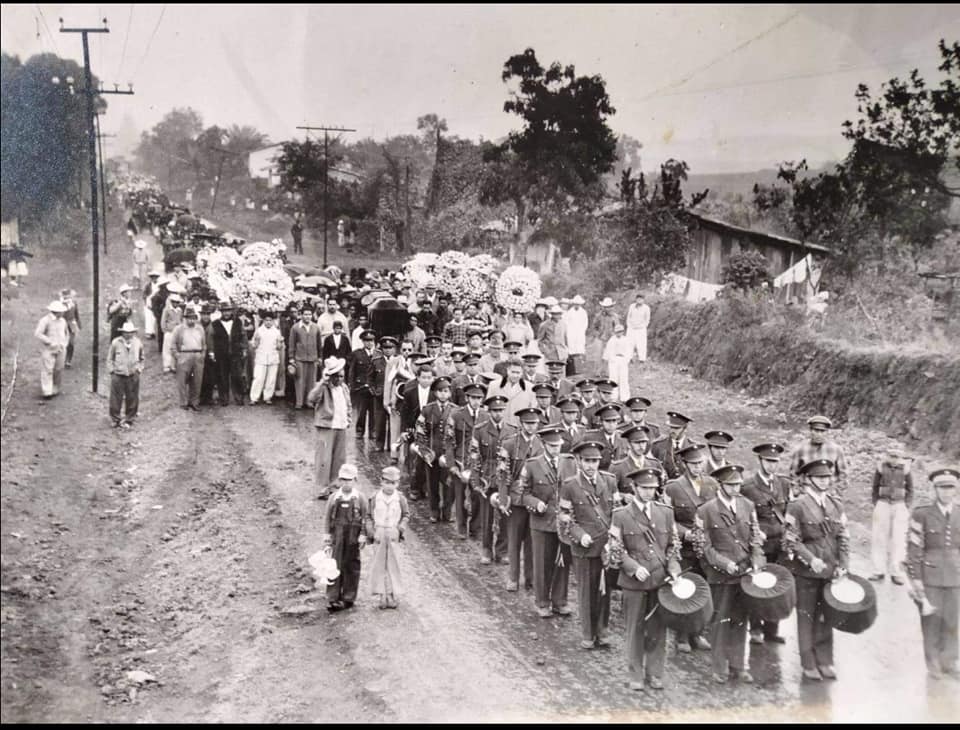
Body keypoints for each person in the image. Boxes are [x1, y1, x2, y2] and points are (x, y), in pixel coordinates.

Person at [607, 466, 681, 691]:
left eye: (653, 488)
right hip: (634, 583)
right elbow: (614, 548)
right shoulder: (620, 515)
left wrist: (675, 568)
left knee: (659, 629)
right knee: (635, 630)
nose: (649, 492)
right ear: (634, 487)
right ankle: (635, 674)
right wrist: (631, 567)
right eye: (645, 488)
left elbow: (673, 547)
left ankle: (655, 673)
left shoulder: (666, 512)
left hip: (660, 580)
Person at [781, 458, 850, 681]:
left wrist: (844, 564)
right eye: (819, 477)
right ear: (808, 479)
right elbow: (791, 540)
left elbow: (843, 536)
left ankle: (826, 660)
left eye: (827, 477)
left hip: (830, 569)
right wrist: (810, 559)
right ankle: (808, 663)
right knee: (807, 616)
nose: (824, 481)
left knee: (826, 616)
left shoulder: (836, 504)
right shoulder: (797, 505)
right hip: (807, 571)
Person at [694, 464, 765, 684]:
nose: (736, 488)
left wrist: (757, 561)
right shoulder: (705, 510)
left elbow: (755, 538)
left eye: (738, 484)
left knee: (740, 620)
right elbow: (703, 547)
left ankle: (738, 666)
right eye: (731, 484)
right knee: (720, 621)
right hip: (721, 575)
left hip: (744, 573)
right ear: (721, 485)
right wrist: (724, 564)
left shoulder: (747, 505)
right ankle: (719, 667)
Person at [558, 440, 618, 650]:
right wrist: (579, 535)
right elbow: (565, 519)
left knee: (604, 591)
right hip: (583, 547)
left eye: (595, 461)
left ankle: (602, 630)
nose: (591, 466)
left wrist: (614, 541)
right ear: (579, 461)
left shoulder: (610, 481)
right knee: (586, 591)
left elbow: (617, 514)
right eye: (587, 461)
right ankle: (587, 633)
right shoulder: (570, 485)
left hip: (605, 546)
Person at [516, 424, 577, 618]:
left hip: (563, 521)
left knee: (562, 562)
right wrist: (535, 503)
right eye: (551, 446)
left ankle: (560, 601)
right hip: (541, 522)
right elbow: (522, 493)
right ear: (543, 444)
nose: (555, 449)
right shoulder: (532, 464)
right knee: (542, 562)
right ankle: (542, 601)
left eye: (558, 445)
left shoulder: (569, 462)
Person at [664, 441, 718, 653]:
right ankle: (682, 636)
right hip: (684, 547)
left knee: (703, 590)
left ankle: (698, 633)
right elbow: (668, 519)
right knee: (685, 591)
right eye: (693, 464)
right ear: (685, 464)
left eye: (700, 463)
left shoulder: (712, 484)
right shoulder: (673, 487)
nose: (698, 467)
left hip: (705, 547)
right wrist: (685, 534)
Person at [905, 467, 959, 679]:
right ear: (934, 489)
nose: (947, 493)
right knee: (931, 620)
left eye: (951, 488)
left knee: (953, 620)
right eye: (942, 488)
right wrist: (916, 578)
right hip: (930, 575)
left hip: (955, 574)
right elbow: (915, 548)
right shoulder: (922, 513)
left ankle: (950, 660)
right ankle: (933, 661)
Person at [740, 443, 792, 644]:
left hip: (779, 544)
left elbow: (787, 513)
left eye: (775, 462)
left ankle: (772, 629)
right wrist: (754, 534)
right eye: (768, 461)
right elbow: (742, 516)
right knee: (758, 585)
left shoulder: (783, 484)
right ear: (760, 461)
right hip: (759, 545)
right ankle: (755, 629)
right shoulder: (748, 487)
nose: (772, 466)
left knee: (777, 586)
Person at [496, 407, 545, 592]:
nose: (531, 427)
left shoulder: (542, 444)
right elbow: (502, 473)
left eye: (534, 423)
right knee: (514, 539)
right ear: (521, 424)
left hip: (535, 498)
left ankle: (530, 578)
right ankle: (513, 577)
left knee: (532, 541)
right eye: (528, 423)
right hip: (516, 499)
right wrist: (503, 497)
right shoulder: (509, 444)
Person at [470, 394, 515, 564]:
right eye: (495, 411)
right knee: (487, 517)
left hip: (505, 478)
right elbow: (474, 456)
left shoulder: (511, 430)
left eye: (501, 410)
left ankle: (502, 551)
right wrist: (476, 479)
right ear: (489, 411)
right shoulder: (480, 429)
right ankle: (487, 550)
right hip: (487, 477)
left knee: (504, 514)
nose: (498, 414)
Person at [443, 383, 486, 540]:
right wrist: (451, 464)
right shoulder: (456, 415)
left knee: (477, 495)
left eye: (479, 398)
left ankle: (476, 527)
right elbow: (448, 441)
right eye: (473, 398)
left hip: (477, 463)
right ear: (467, 398)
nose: (476, 401)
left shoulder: (485, 416)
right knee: (459, 495)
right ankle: (461, 527)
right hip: (460, 461)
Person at [323, 464, 368, 612]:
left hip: (353, 537)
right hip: (338, 535)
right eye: (343, 480)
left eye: (349, 480)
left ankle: (349, 597)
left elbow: (365, 518)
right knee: (334, 565)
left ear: (355, 480)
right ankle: (332, 597)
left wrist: (363, 534)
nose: (346, 483)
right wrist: (327, 535)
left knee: (351, 565)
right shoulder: (334, 498)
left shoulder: (360, 498)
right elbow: (328, 518)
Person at [365, 465, 409, 610]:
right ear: (381, 481)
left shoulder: (400, 498)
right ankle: (381, 595)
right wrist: (371, 532)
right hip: (379, 533)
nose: (390, 486)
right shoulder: (374, 498)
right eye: (387, 482)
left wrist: (400, 528)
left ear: (398, 483)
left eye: (394, 483)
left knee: (393, 565)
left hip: (393, 533)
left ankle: (391, 594)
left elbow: (406, 515)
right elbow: (369, 516)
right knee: (379, 565)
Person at [308, 357, 352, 499]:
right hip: (327, 425)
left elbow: (348, 404)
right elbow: (311, 399)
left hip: (341, 425)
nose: (340, 379)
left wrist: (349, 418)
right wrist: (323, 382)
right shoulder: (323, 388)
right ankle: (322, 487)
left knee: (339, 457)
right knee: (324, 458)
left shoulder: (344, 388)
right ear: (330, 376)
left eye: (342, 376)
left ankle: (335, 486)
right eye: (337, 376)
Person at [869, 447, 914, 584]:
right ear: (887, 456)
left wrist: (906, 505)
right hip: (883, 504)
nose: (894, 459)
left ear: (901, 457)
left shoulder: (906, 469)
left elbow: (910, 489)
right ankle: (878, 571)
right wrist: (876, 502)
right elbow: (875, 487)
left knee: (898, 539)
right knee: (879, 538)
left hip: (899, 505)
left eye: (897, 456)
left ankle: (896, 572)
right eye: (891, 455)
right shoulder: (881, 467)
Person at [415, 376, 455, 523]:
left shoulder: (455, 410)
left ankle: (448, 511)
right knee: (432, 483)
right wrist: (424, 451)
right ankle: (434, 510)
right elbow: (419, 430)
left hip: (449, 454)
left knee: (449, 483)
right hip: (432, 453)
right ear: (435, 393)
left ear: (450, 393)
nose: (443, 394)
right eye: (440, 391)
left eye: (446, 391)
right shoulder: (427, 409)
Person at [400, 364, 436, 501]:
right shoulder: (410, 392)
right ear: (418, 378)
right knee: (414, 460)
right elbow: (405, 412)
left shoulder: (435, 393)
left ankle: (425, 488)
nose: (426, 380)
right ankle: (414, 488)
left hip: (429, 432)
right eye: (424, 377)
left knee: (427, 460)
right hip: (413, 430)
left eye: (429, 378)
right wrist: (404, 430)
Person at [789, 415, 849, 495]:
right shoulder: (800, 449)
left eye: (822, 431)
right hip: (807, 493)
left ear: (827, 432)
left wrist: (836, 492)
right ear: (810, 431)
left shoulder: (836, 450)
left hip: (829, 493)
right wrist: (797, 491)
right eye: (816, 431)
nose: (819, 434)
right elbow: (793, 474)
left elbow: (843, 475)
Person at [206, 302, 248, 406]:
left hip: (235, 353)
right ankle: (224, 398)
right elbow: (210, 338)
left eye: (228, 311)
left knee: (237, 376)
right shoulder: (215, 324)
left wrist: (244, 348)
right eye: (224, 311)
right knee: (222, 376)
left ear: (231, 311)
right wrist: (211, 352)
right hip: (221, 354)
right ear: (221, 312)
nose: (226, 313)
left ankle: (239, 397)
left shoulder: (238, 322)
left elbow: (243, 336)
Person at [350, 330, 387, 445]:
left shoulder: (379, 354)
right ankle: (359, 431)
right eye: (367, 341)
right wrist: (351, 385)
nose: (369, 343)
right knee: (361, 411)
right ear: (362, 341)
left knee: (373, 412)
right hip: (361, 387)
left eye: (371, 341)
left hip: (374, 388)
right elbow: (352, 371)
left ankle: (373, 431)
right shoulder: (357, 354)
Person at [107, 320, 144, 428]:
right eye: (126, 332)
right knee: (115, 398)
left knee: (132, 398)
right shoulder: (116, 342)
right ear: (122, 333)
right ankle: (115, 419)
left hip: (132, 374)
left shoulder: (137, 343)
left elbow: (142, 358)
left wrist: (139, 369)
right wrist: (112, 371)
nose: (129, 334)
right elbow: (110, 358)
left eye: (131, 332)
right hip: (118, 374)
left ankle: (129, 419)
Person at [610, 425, 664, 498]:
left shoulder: (655, 465)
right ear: (629, 444)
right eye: (637, 443)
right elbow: (609, 492)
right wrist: (623, 496)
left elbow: (663, 489)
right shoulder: (618, 467)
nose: (641, 446)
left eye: (643, 442)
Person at [171, 307, 207, 411]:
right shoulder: (179, 329)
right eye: (188, 318)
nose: (191, 320)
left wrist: (202, 354)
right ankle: (183, 403)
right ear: (185, 318)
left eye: (193, 318)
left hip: (197, 355)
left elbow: (204, 344)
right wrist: (178, 356)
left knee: (197, 380)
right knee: (182, 380)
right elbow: (173, 345)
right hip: (184, 355)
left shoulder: (200, 328)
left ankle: (194, 402)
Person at [485, 359, 536, 427]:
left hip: (519, 427)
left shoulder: (530, 388)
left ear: (522, 373)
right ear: (507, 371)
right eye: (513, 372)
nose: (515, 375)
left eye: (518, 373)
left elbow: (532, 410)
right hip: (500, 427)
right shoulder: (494, 385)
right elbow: (487, 408)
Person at [35, 301, 70, 399]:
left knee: (58, 369)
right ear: (56, 311)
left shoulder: (63, 321)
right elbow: (38, 333)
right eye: (61, 311)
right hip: (48, 349)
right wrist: (49, 342)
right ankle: (47, 391)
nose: (63, 313)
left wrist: (64, 344)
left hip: (61, 349)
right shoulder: (45, 320)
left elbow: (66, 333)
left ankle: (55, 388)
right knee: (47, 369)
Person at [248, 312, 284, 405]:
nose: (268, 322)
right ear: (263, 321)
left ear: (273, 321)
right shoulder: (259, 331)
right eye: (266, 320)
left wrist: (280, 342)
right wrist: (256, 341)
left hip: (273, 357)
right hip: (261, 357)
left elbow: (279, 347)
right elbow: (254, 345)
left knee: (271, 378)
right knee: (258, 378)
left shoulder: (276, 331)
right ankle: (254, 397)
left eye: (270, 320)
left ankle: (267, 397)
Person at [289, 307, 322, 409]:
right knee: (299, 381)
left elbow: (319, 344)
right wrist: (291, 357)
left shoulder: (316, 327)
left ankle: (309, 402)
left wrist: (320, 357)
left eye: (309, 314)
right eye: (305, 314)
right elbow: (291, 343)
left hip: (313, 358)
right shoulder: (295, 327)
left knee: (311, 381)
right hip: (300, 357)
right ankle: (299, 402)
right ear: (301, 315)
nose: (307, 317)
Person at [651, 411, 694, 481]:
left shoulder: (692, 447)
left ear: (685, 429)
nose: (672, 431)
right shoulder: (658, 445)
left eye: (676, 428)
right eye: (671, 427)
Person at [602, 324, 632, 401]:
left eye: (621, 332)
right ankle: (613, 396)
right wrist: (610, 359)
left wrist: (626, 359)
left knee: (623, 379)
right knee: (613, 378)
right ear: (615, 332)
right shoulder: (612, 340)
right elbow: (608, 351)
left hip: (623, 359)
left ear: (623, 332)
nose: (619, 333)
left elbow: (629, 351)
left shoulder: (626, 340)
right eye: (617, 332)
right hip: (614, 360)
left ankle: (625, 397)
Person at [563, 295, 589, 376]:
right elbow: (566, 323)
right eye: (575, 304)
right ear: (573, 304)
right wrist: (569, 332)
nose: (577, 305)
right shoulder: (569, 312)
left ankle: (580, 368)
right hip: (571, 332)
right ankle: (572, 368)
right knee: (571, 350)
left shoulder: (583, 312)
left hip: (580, 333)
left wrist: (581, 331)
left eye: (578, 304)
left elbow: (585, 323)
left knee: (580, 349)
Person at [160, 291, 184, 373]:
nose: (176, 304)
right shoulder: (167, 310)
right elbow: (163, 321)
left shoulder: (179, 310)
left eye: (177, 302)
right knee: (167, 348)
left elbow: (180, 320)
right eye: (174, 302)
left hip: (177, 332)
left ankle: (173, 365)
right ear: (171, 302)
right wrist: (165, 330)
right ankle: (166, 365)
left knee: (175, 348)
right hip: (169, 331)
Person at [625, 291, 651, 363]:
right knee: (629, 343)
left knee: (641, 344)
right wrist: (629, 325)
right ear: (636, 299)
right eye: (638, 299)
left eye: (641, 299)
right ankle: (629, 358)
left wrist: (643, 326)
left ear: (643, 300)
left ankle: (642, 359)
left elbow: (647, 319)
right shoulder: (632, 306)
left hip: (641, 329)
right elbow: (628, 317)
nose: (639, 300)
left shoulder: (646, 308)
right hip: (631, 328)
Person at [59, 288, 81, 367]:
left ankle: (68, 360)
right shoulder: (60, 304)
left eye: (68, 296)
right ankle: (62, 359)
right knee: (62, 342)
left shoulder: (74, 303)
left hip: (71, 324)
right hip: (62, 324)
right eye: (65, 296)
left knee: (71, 343)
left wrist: (79, 324)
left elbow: (76, 313)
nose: (67, 298)